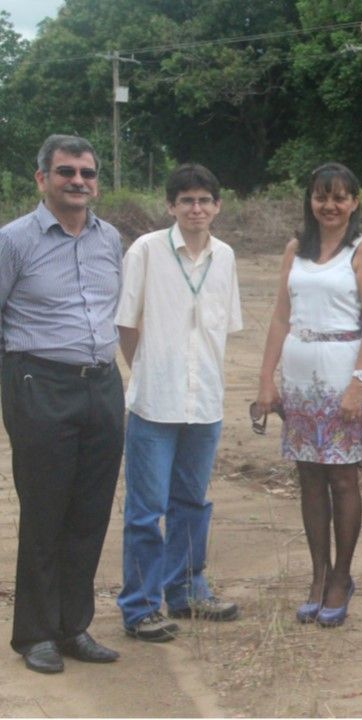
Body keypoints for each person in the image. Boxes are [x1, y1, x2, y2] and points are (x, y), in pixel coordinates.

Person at [0, 135, 123, 673]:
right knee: (46, 511)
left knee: (89, 513)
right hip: (40, 384)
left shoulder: (110, 238)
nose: (78, 181)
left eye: (87, 173)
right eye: (67, 171)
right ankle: (35, 634)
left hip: (101, 384)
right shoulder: (13, 241)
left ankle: (74, 626)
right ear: (42, 178)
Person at [115, 164, 244, 642]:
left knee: (192, 502)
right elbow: (127, 324)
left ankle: (187, 589)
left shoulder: (225, 256)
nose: (196, 208)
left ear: (217, 207)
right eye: (186, 200)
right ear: (170, 206)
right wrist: (149, 372)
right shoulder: (146, 251)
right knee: (146, 510)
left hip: (204, 402)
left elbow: (222, 328)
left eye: (204, 200)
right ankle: (140, 605)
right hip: (154, 403)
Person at [256, 163, 362, 627]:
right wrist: (266, 379)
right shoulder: (296, 249)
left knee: (342, 477)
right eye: (320, 197)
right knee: (308, 476)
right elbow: (279, 317)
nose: (329, 206)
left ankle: (341, 576)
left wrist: (359, 382)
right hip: (298, 371)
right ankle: (317, 575)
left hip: (341, 373)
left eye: (339, 197)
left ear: (354, 202)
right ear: (309, 201)